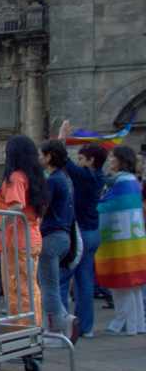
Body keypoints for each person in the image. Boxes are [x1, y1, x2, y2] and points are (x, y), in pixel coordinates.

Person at [57, 120, 108, 338]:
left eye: (81, 158)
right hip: (93, 232)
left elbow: (62, 160)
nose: (78, 162)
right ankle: (86, 328)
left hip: (81, 234)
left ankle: (61, 324)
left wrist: (62, 137)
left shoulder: (87, 176)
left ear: (91, 160)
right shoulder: (99, 177)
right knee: (85, 280)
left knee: (62, 277)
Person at [0, 135, 46, 327]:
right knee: (29, 285)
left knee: (18, 286)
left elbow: (16, 206)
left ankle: (24, 327)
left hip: (17, 239)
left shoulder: (15, 178)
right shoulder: (33, 177)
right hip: (31, 236)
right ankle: (31, 325)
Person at [96, 146, 146, 335]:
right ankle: (137, 325)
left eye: (113, 158)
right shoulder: (131, 180)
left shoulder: (121, 181)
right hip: (132, 240)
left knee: (122, 285)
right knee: (134, 287)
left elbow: (108, 206)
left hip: (120, 242)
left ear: (121, 160)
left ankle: (123, 324)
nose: (110, 161)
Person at [38, 140, 79, 343]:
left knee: (48, 288)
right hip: (63, 237)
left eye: (41, 154)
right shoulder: (65, 179)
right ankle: (64, 320)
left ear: (49, 156)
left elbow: (42, 209)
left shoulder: (53, 180)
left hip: (51, 237)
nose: (39, 158)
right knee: (51, 285)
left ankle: (57, 330)